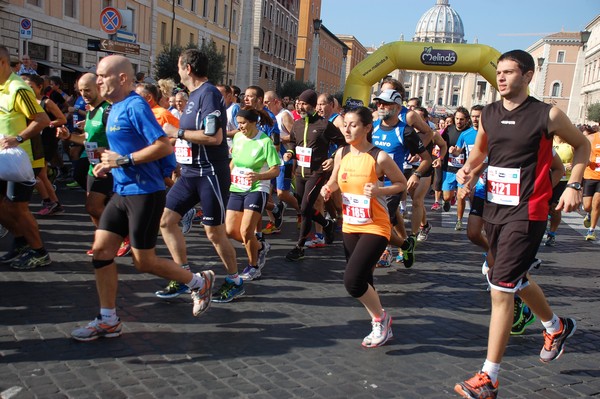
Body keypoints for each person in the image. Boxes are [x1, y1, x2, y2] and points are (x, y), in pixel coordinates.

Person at [454, 49, 590, 399]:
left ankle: (489, 377)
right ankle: (555, 326)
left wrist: (574, 185)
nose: (501, 78)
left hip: (528, 211)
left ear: (528, 76)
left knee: (500, 290)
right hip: (495, 208)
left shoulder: (548, 114)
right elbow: (482, 152)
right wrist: (469, 171)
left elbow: (582, 145)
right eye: (498, 72)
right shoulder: (489, 114)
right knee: (514, 278)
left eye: (509, 72)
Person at [70, 55, 214, 342]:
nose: (97, 81)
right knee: (101, 252)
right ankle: (108, 319)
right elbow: (123, 150)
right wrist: (105, 161)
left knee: (144, 262)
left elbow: (162, 146)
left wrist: (121, 160)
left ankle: (199, 282)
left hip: (145, 194)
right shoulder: (112, 109)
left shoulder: (135, 106)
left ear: (122, 78)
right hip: (121, 192)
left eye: (102, 76)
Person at [157, 49, 240, 303]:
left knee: (214, 233)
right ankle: (184, 277)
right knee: (166, 222)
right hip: (190, 172)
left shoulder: (210, 94)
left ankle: (235, 281)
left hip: (211, 173)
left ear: (188, 68)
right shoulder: (192, 96)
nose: (177, 70)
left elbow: (214, 137)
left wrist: (177, 132)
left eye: (179, 66)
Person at [320, 106, 406, 347]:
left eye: (354, 125)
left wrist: (380, 189)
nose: (347, 129)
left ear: (368, 128)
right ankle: (378, 324)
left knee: (352, 281)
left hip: (376, 226)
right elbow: (335, 180)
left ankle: (382, 319)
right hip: (350, 225)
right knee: (365, 278)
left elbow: (400, 184)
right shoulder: (342, 153)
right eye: (345, 124)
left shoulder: (379, 157)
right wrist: (329, 189)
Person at [0, 45, 52, 270]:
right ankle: (21, 242)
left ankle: (40, 252)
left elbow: (42, 120)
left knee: (18, 207)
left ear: (2, 63)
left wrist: (18, 139)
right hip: (3, 160)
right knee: (4, 207)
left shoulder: (18, 89)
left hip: (20, 161)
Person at [283, 89, 345, 261]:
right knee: (305, 207)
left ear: (311, 106)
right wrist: (289, 153)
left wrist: (333, 159)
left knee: (304, 209)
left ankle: (299, 247)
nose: (299, 106)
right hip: (300, 172)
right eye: (298, 103)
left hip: (317, 172)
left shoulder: (324, 125)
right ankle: (327, 224)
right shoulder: (297, 124)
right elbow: (293, 143)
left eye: (303, 103)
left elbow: (343, 144)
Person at [371, 90, 429, 268]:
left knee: (382, 222)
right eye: (379, 103)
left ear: (397, 107)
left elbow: (427, 158)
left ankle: (386, 252)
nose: (380, 106)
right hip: (371, 184)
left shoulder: (406, 131)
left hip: (392, 185)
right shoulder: (371, 127)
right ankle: (405, 243)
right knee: (392, 219)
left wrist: (416, 174)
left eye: (385, 103)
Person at [56, 73, 113, 255]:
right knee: (91, 208)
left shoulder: (108, 110)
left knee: (94, 206)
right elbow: (87, 138)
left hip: (107, 166)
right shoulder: (91, 111)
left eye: (87, 90)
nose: (83, 94)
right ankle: (104, 239)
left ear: (98, 87)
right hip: (92, 164)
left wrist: (110, 153)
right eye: (80, 90)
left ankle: (118, 235)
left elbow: (122, 138)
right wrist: (69, 136)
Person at [227, 107, 281, 280]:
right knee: (229, 230)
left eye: (243, 123)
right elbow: (234, 161)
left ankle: (253, 266)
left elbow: (276, 170)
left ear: (253, 122)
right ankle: (260, 246)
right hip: (237, 187)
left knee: (246, 230)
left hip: (258, 187)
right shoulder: (237, 137)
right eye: (238, 123)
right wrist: (227, 177)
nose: (239, 126)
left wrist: (259, 176)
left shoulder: (265, 142)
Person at [546, 135, 574, 245]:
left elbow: (581, 161)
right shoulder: (548, 140)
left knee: (555, 208)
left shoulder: (570, 144)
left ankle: (551, 233)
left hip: (563, 180)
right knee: (544, 207)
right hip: (547, 178)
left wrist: (573, 166)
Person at [582, 126, 600, 241]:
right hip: (590, 174)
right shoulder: (591, 138)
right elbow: (583, 152)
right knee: (587, 206)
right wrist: (587, 161)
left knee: (597, 203)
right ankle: (588, 214)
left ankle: (591, 230)